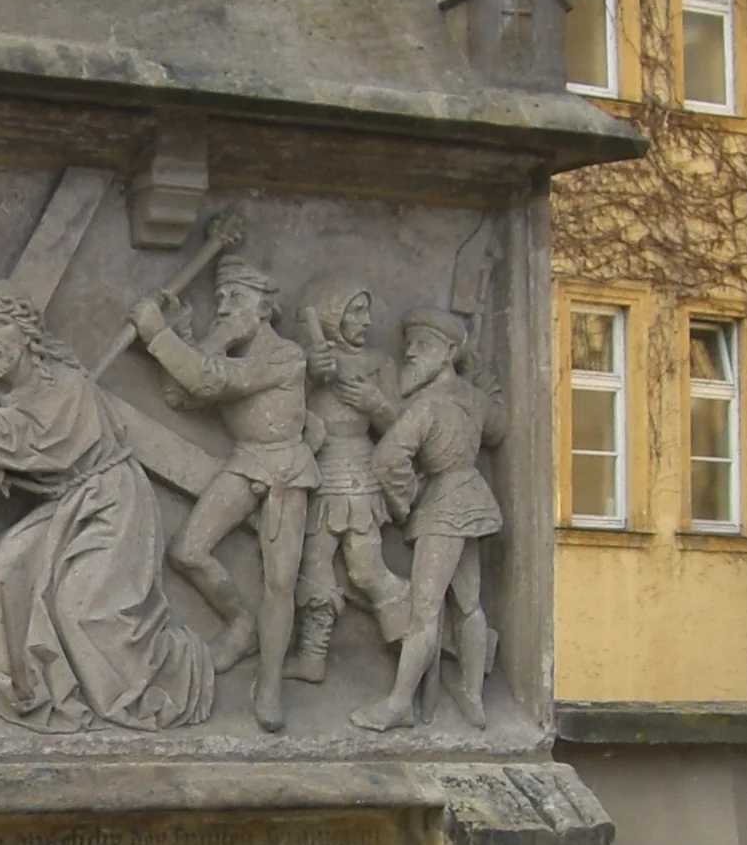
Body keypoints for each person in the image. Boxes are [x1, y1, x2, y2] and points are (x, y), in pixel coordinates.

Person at [0, 283, 214, 733]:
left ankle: (183, 667)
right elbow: (36, 449)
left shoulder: (67, 383)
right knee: (2, 572)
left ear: (26, 335)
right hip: (67, 503)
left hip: (111, 506)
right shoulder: (11, 393)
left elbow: (45, 443)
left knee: (82, 611)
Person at [128, 254, 316, 732]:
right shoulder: (229, 347)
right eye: (222, 298)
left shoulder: (285, 355)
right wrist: (190, 336)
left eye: (238, 297)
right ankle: (241, 625)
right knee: (187, 551)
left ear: (265, 306)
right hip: (246, 460)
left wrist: (158, 335)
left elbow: (210, 379)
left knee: (280, 581)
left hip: (285, 469)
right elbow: (181, 395)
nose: (227, 306)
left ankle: (270, 682)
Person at [352, 307, 506, 733]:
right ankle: (473, 695)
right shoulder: (473, 399)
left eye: (423, 346)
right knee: (469, 604)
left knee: (425, 611)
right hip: (474, 499)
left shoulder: (426, 406)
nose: (411, 355)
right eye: (409, 347)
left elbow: (387, 459)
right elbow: (498, 425)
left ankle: (400, 703)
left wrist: (405, 502)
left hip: (443, 505)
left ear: (448, 353)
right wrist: (482, 378)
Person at [290, 284, 409, 683]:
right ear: (332, 314)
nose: (366, 321)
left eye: (366, 311)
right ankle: (312, 656)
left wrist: (375, 402)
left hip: (358, 470)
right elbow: (286, 414)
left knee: (365, 570)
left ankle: (413, 636)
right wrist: (309, 377)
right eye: (355, 311)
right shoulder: (315, 359)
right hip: (319, 470)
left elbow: (402, 429)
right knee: (313, 563)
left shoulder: (379, 364)